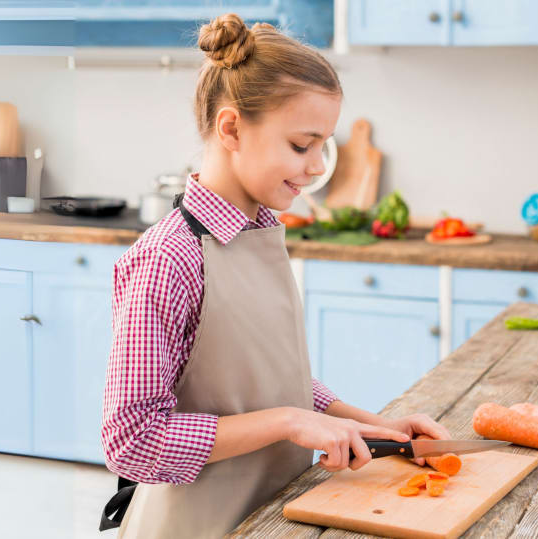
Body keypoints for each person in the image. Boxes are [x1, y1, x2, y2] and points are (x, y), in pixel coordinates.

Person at [99, 13, 451, 538]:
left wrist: (378, 426)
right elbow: (133, 440)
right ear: (232, 128)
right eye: (301, 145)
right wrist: (288, 423)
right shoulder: (169, 259)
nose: (315, 169)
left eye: (322, 147)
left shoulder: (260, 232)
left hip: (272, 516)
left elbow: (265, 380)